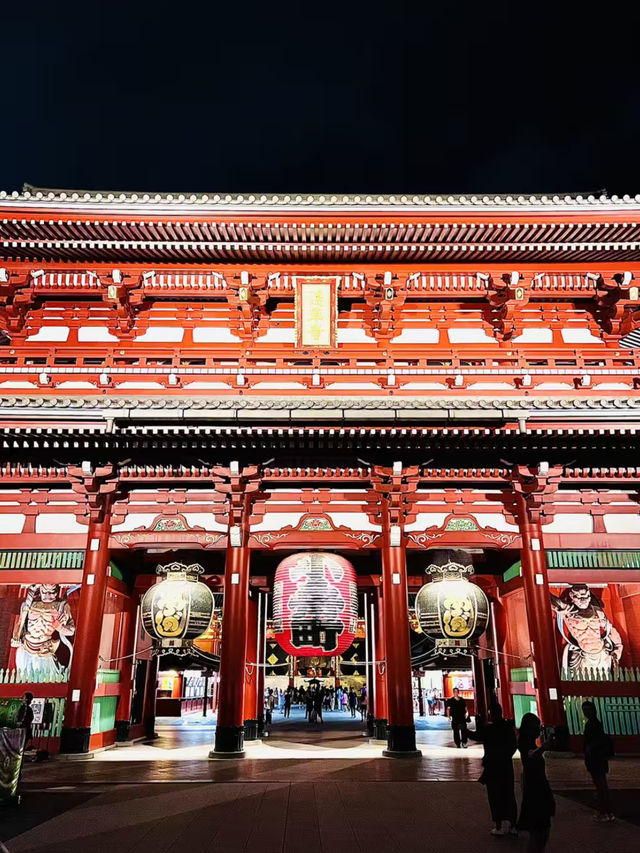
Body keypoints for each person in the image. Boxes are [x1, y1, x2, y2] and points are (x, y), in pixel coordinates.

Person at [517, 713, 556, 852]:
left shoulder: (526, 742)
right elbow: (531, 754)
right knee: (540, 827)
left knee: (539, 828)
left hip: (535, 785)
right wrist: (544, 747)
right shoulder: (525, 743)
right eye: (537, 727)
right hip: (536, 787)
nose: (539, 730)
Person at [477, 703, 518, 836]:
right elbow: (513, 746)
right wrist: (505, 756)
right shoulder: (508, 728)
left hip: (492, 766)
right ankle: (512, 825)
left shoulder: (489, 729)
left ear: (492, 714)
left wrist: (463, 730)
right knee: (509, 795)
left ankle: (499, 825)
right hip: (505, 765)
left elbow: (477, 736)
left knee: (494, 796)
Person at [582, 700, 615, 822]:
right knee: (602, 785)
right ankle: (607, 811)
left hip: (595, 758)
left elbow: (591, 742)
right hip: (598, 758)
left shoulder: (592, 724)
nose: (585, 712)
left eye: (587, 709)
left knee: (600, 786)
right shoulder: (596, 723)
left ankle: (604, 811)